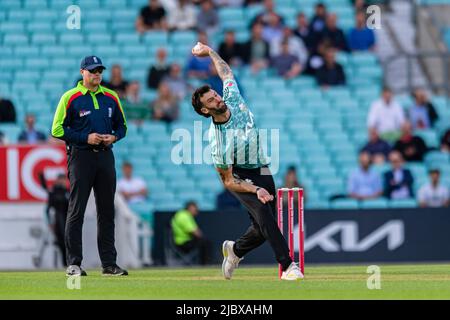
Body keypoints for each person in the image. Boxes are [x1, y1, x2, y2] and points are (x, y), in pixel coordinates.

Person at [190, 42, 303, 280]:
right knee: (265, 216)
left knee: (263, 229)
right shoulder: (217, 140)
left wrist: (210, 51)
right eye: (211, 102)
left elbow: (226, 72)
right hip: (241, 176)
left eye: (215, 95)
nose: (217, 100)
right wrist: (255, 188)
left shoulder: (231, 96)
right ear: (205, 111)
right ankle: (288, 266)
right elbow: (228, 180)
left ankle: (235, 250)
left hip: (261, 166)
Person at [51, 56, 128, 276]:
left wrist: (113, 137)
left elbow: (122, 127)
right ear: (83, 72)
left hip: (105, 157)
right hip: (81, 157)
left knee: (107, 212)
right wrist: (86, 138)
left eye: (99, 71)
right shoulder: (71, 97)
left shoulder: (111, 97)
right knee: (76, 211)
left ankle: (109, 264)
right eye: (92, 70)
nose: (97, 74)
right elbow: (57, 129)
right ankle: (74, 264)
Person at [39, 172, 69, 267]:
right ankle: (65, 264)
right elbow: (47, 210)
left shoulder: (68, 192)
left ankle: (69, 264)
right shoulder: (53, 192)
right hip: (58, 222)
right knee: (61, 243)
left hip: (68, 222)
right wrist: (49, 223)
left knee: (68, 244)